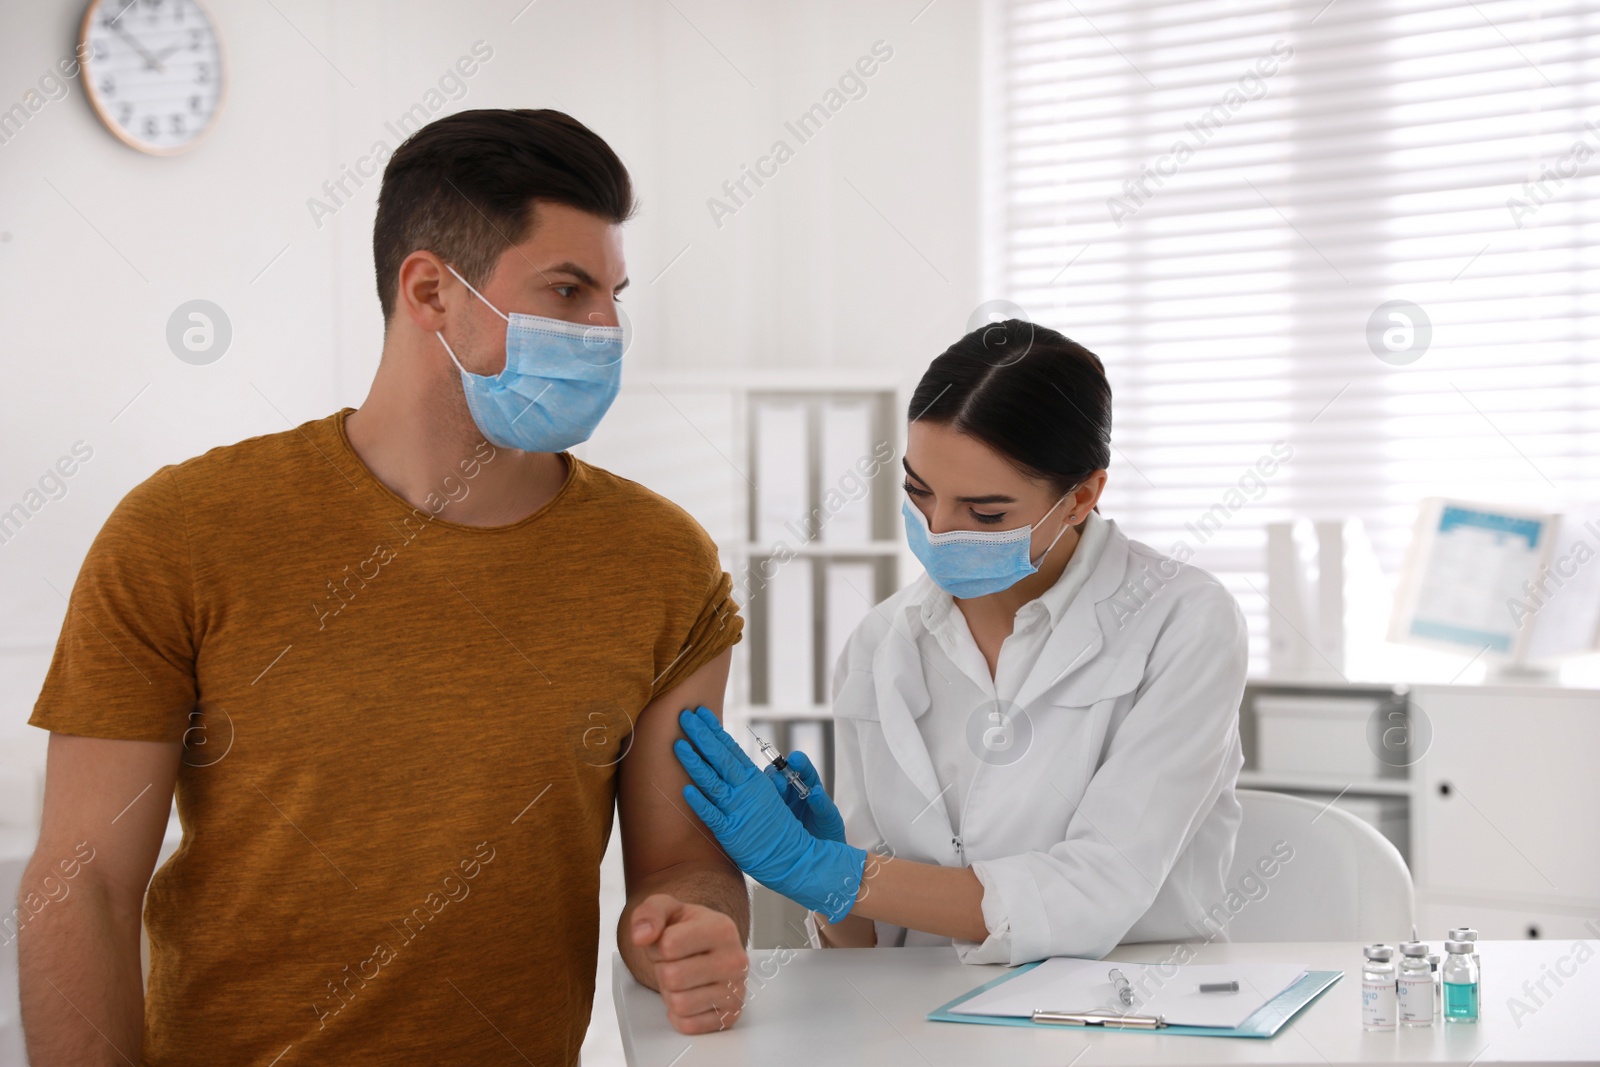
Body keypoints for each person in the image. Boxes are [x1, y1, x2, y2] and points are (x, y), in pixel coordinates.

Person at [18, 109, 751, 1066]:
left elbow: (682, 865)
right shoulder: (183, 533)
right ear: (431, 290)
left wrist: (692, 928)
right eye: (568, 291)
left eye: (614, 293)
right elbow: (83, 883)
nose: (606, 328)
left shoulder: (663, 564)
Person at [674, 319, 1249, 965]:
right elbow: (877, 944)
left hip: (1129, 1009)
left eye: (985, 513)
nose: (938, 529)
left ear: (1081, 496)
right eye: (918, 492)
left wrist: (841, 873)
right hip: (923, 1016)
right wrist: (830, 891)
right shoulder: (881, 643)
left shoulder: (1183, 619)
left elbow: (1095, 890)